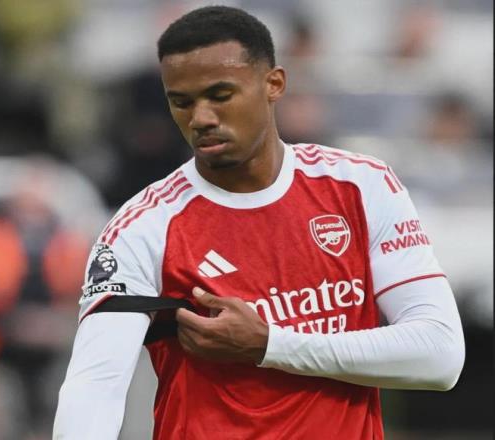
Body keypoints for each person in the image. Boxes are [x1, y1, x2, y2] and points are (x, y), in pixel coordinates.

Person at [53, 6, 465, 440]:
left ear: (274, 84)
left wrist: (270, 344)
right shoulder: (143, 228)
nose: (201, 118)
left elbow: (439, 356)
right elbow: (94, 389)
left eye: (220, 95)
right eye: (182, 102)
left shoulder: (360, 186)